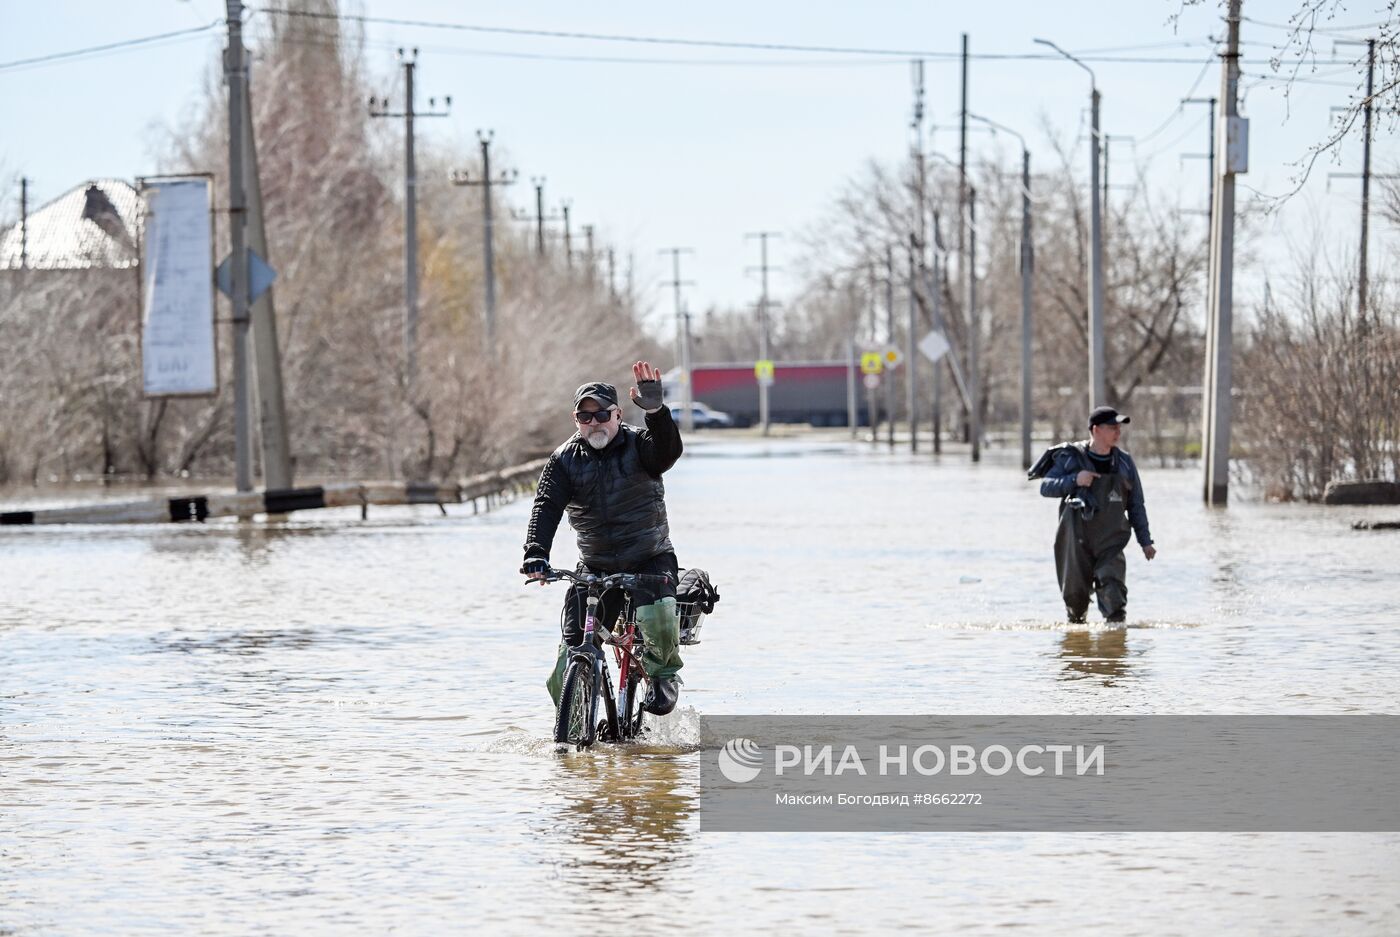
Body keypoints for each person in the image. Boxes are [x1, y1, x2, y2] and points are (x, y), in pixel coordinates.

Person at [521, 361, 686, 715]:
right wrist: (536, 553)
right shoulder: (563, 460)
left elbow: (668, 451)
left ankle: (662, 676)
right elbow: (546, 506)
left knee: (658, 618)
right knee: (570, 652)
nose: (594, 423)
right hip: (595, 566)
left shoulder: (641, 444)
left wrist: (656, 412)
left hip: (649, 558)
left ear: (618, 414)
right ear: (576, 420)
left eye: (602, 415)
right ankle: (575, 716)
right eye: (585, 417)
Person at [1030, 406, 1156, 624]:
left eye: (1119, 428)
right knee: (1075, 602)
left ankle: (1114, 650)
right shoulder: (1071, 458)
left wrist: (1145, 541)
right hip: (1075, 539)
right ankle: (1079, 648)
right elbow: (1046, 487)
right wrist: (1075, 480)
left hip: (1111, 539)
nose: (1118, 432)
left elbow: (1136, 505)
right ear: (1096, 430)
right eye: (1112, 427)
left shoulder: (1125, 463)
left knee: (1114, 594)